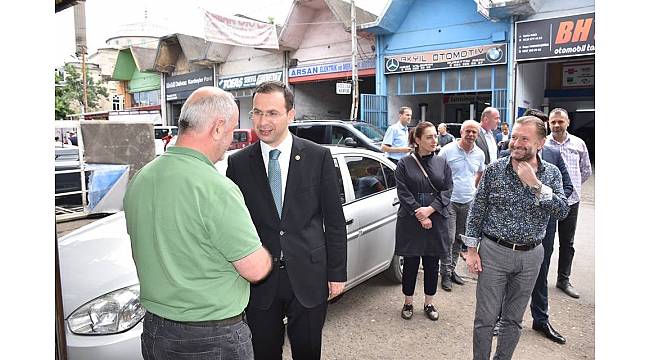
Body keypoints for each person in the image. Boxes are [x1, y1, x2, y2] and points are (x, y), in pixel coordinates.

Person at [123, 86, 272, 360]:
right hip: (211, 338)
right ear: (217, 128)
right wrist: (264, 251)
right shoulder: (215, 187)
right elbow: (255, 269)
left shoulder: (142, 179)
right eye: (232, 129)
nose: (230, 139)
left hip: (156, 331)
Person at [226, 81, 347, 360]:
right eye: (257, 113)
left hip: (309, 275)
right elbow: (231, 223)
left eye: (272, 113)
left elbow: (334, 220)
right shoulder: (239, 163)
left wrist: (337, 273)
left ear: (290, 115)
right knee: (263, 353)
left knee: (307, 352)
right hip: (260, 280)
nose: (262, 121)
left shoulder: (318, 156)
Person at [462, 115, 569, 360]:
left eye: (525, 139)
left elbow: (562, 211)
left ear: (541, 143)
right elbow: (476, 211)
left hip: (531, 257)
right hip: (494, 253)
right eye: (514, 137)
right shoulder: (494, 170)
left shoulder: (550, 174)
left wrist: (536, 185)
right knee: (485, 319)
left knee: (513, 320)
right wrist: (471, 250)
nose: (516, 143)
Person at [495, 108, 574, 344]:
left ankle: (541, 319)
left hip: (542, 229)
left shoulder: (553, 156)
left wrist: (544, 199)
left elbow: (568, 189)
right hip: (508, 232)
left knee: (540, 275)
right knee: (506, 277)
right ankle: (501, 318)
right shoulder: (506, 153)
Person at [394, 121, 453, 321]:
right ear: (417, 140)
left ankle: (429, 303)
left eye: (435, 135)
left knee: (432, 263)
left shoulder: (442, 162)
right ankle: (408, 302)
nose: (434, 140)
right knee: (410, 263)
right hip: (411, 221)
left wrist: (430, 210)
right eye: (429, 137)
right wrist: (419, 214)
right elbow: (402, 191)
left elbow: (447, 189)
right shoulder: (404, 163)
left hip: (435, 218)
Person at [545, 107, 592, 299]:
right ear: (549, 123)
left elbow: (586, 170)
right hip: (547, 202)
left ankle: (563, 279)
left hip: (571, 202)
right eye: (553, 122)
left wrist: (570, 189)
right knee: (544, 243)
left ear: (567, 122)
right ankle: (538, 278)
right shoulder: (543, 144)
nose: (556, 125)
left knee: (567, 242)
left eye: (560, 121)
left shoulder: (578, 144)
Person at [437, 120, 485, 292]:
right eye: (468, 131)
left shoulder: (479, 154)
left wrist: (473, 188)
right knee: (449, 238)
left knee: (460, 238)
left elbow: (479, 172)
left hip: (468, 201)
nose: (471, 135)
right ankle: (445, 273)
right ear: (462, 132)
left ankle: (451, 270)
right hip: (449, 201)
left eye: (474, 132)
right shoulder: (447, 150)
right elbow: (436, 172)